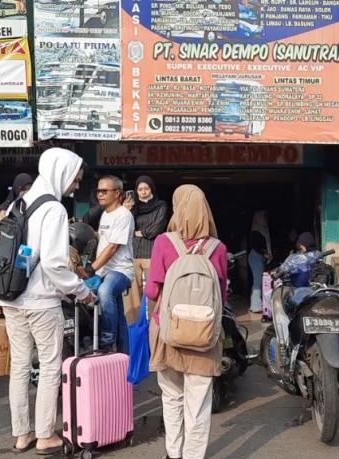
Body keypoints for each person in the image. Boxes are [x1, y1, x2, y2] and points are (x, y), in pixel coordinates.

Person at [0, 148, 96, 455]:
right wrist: (81, 290)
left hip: (11, 298)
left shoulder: (19, 203)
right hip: (40, 300)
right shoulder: (54, 209)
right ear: (61, 172)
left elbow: (4, 253)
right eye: (75, 179)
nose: (76, 186)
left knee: (21, 367)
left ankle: (22, 434)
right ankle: (46, 434)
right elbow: (54, 264)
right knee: (51, 366)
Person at [145, 185, 228, 459]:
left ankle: (173, 452)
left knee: (171, 396)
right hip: (204, 336)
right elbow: (222, 294)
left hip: (168, 333)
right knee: (199, 402)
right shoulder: (218, 248)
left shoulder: (163, 242)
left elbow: (152, 292)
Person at [79, 176, 135, 354]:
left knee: (105, 291)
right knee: (119, 318)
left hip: (121, 270)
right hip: (105, 270)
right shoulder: (105, 214)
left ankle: (107, 339)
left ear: (117, 193)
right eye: (98, 191)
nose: (100, 195)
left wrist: (91, 269)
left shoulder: (123, 215)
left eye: (105, 191)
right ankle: (125, 361)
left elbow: (112, 248)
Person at [124, 175, 168, 319]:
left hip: (152, 253)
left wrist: (139, 232)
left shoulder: (161, 205)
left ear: (152, 190)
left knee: (153, 291)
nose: (143, 192)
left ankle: (154, 324)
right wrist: (126, 211)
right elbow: (126, 229)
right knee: (132, 294)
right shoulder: (133, 208)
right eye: (140, 189)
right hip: (134, 253)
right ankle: (133, 326)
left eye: (146, 189)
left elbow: (156, 229)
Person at [248, 230, 267, 313]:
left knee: (257, 282)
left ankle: (254, 304)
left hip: (254, 257)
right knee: (257, 283)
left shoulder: (255, 250)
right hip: (256, 258)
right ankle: (256, 306)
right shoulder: (257, 252)